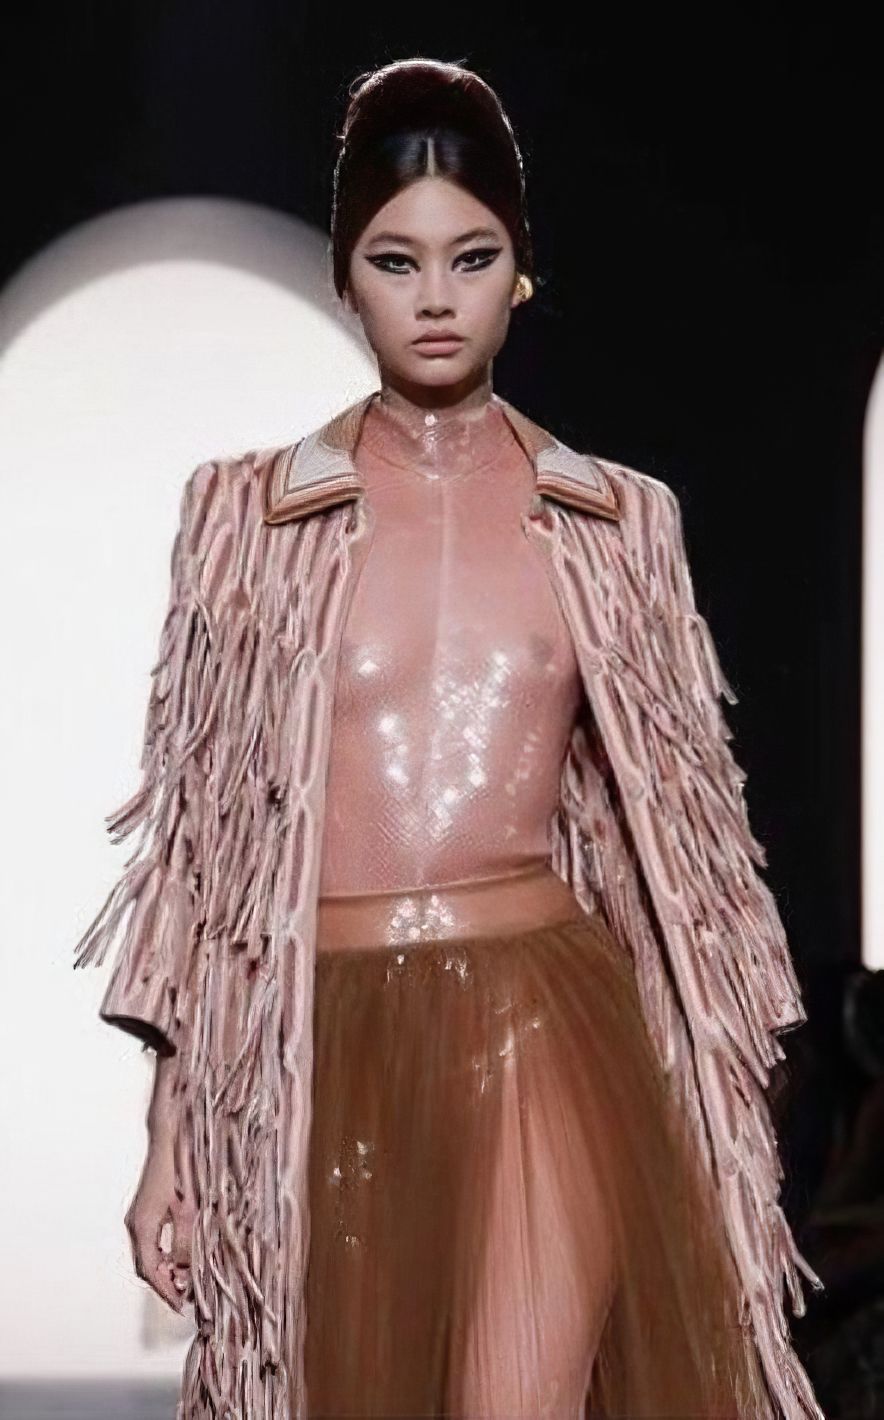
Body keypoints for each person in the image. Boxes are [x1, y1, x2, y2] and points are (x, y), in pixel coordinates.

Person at [74, 56, 826, 1420]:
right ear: (344, 278)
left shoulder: (615, 522)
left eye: (472, 258)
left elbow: (697, 836)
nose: (435, 297)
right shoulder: (245, 519)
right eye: (395, 260)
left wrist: (728, 1080)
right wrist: (168, 1127)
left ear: (520, 271)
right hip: (318, 1042)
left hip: (547, 1022)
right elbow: (202, 838)